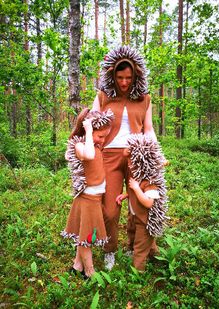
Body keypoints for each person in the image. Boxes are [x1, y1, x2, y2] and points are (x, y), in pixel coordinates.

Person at [92, 45, 157, 270]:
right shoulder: (103, 96)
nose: (124, 82)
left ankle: (133, 245)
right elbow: (92, 126)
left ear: (136, 75)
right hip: (109, 156)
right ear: (112, 75)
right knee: (109, 209)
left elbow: (148, 129)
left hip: (137, 155)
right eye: (119, 77)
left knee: (137, 205)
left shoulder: (145, 98)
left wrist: (156, 153)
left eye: (128, 77)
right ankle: (109, 249)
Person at [61, 108, 114, 278]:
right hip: (87, 199)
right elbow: (89, 156)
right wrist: (90, 131)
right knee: (86, 239)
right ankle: (89, 272)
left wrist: (96, 137)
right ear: (87, 131)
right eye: (100, 136)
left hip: (95, 199)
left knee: (84, 234)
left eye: (105, 137)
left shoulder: (94, 144)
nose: (102, 140)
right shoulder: (80, 145)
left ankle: (77, 266)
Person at [116, 133, 169, 271]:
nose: (128, 164)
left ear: (142, 161)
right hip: (136, 216)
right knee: (132, 232)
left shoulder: (150, 181)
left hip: (145, 221)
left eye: (131, 161)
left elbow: (148, 203)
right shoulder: (139, 175)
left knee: (141, 244)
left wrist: (135, 188)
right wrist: (127, 194)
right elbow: (136, 191)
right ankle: (154, 255)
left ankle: (138, 271)